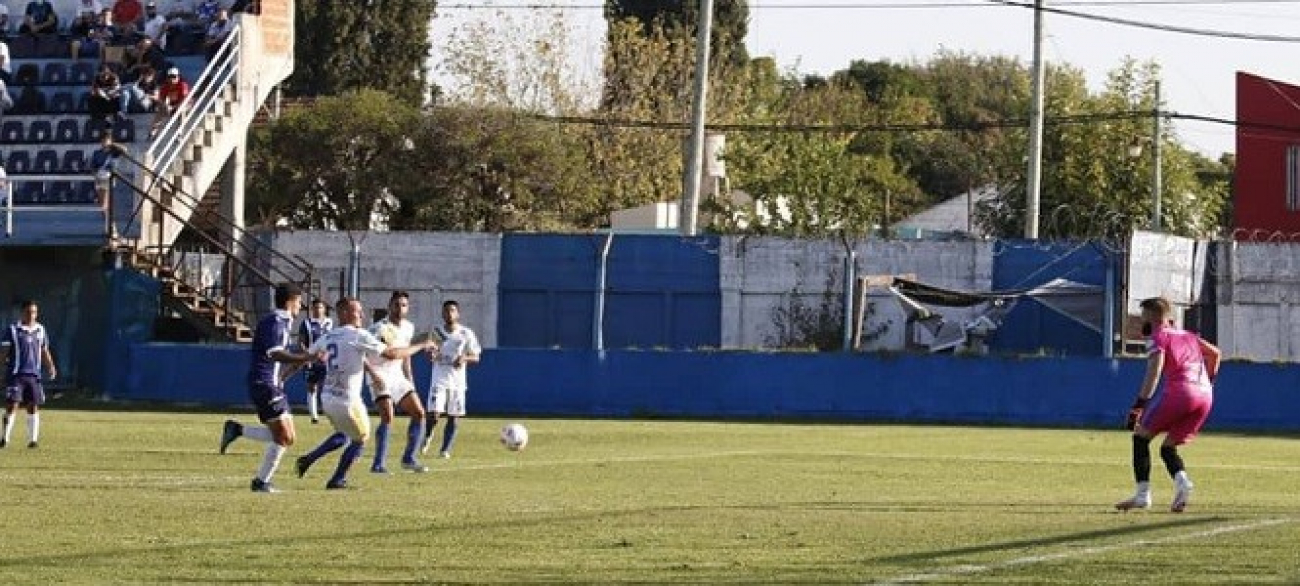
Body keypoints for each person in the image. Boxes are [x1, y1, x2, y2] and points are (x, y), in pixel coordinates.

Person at [294, 297, 437, 489]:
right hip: (349, 397)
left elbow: (306, 356)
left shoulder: (329, 335)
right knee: (362, 436)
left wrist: (282, 375)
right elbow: (390, 354)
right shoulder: (365, 332)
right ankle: (340, 478)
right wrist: (421, 345)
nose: (361, 314)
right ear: (345, 313)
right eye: (357, 311)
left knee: (345, 435)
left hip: (328, 396)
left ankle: (309, 459)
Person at [1115, 297, 1221, 514]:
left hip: (1181, 393)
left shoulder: (1158, 336)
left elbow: (1154, 372)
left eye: (1142, 314)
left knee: (1140, 437)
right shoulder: (1187, 335)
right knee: (1167, 447)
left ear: (1152, 316)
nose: (1140, 319)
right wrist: (1207, 382)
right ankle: (1183, 483)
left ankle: (1143, 495)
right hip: (1205, 396)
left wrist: (1139, 406)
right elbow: (1215, 354)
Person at [218, 283, 323, 493]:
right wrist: (306, 356)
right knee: (284, 437)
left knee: (287, 436)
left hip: (270, 383)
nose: (300, 306)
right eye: (299, 301)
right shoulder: (274, 322)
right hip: (264, 383)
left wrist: (293, 368)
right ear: (291, 301)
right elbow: (273, 353)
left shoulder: (282, 323)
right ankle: (261, 481)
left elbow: (280, 357)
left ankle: (238, 430)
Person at [367, 290, 429, 473]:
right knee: (388, 415)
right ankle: (378, 464)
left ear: (408, 308)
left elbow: (405, 357)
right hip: (379, 373)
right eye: (396, 304)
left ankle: (409, 458)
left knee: (419, 413)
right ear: (389, 306)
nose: (400, 308)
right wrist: (422, 345)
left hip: (397, 376)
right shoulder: (381, 328)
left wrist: (410, 382)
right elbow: (393, 353)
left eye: (403, 305)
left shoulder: (408, 327)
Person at [421, 300, 481, 458]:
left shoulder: (466, 333)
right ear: (442, 314)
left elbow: (476, 356)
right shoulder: (437, 332)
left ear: (458, 314)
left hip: (457, 382)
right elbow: (429, 352)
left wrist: (464, 359)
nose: (449, 313)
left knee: (454, 417)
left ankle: (445, 449)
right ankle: (428, 435)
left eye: (452, 310)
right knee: (434, 414)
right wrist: (432, 354)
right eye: (446, 311)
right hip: (439, 379)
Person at [2, 300, 57, 449]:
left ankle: (33, 441)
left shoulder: (40, 329)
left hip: (34, 376)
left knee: (33, 406)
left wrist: (51, 366)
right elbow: (4, 352)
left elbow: (44, 350)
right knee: (12, 405)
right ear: (22, 313)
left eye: (34, 312)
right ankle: (5, 438)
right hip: (16, 375)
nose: (32, 315)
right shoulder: (13, 330)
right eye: (28, 312)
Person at [297, 298, 333, 424]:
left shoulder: (330, 323)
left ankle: (329, 412)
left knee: (327, 386)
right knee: (312, 387)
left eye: (320, 307)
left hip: (326, 359)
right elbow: (301, 341)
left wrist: (327, 354)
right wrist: (307, 355)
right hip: (312, 360)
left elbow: (333, 340)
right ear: (312, 309)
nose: (318, 310)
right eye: (315, 308)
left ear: (324, 309)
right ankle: (314, 416)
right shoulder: (306, 323)